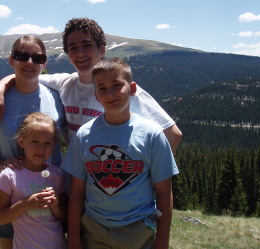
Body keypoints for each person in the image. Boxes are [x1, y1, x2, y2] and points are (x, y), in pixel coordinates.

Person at [0, 17, 182, 152]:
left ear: (102, 49)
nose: (80, 53)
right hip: (75, 185)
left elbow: (173, 135)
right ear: (67, 54)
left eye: (87, 46)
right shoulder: (64, 83)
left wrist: (146, 175)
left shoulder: (122, 91)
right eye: (73, 48)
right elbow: (28, 76)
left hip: (112, 185)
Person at [62, 58, 179, 249]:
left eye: (117, 85)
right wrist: (73, 239)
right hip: (94, 230)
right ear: (96, 96)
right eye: (102, 88)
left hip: (138, 231)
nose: (110, 94)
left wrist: (162, 242)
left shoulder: (152, 134)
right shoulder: (84, 135)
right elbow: (76, 193)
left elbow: (165, 192)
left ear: (132, 89)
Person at [0, 35, 66, 249]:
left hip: (50, 192)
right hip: (8, 194)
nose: (29, 62)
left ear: (45, 63)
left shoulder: (57, 98)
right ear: (11, 60)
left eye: (37, 57)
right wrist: (4, 166)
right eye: (22, 56)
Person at [0, 112, 67, 249]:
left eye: (47, 143)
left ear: (54, 145)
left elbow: (63, 217)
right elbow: (0, 218)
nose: (41, 148)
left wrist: (55, 205)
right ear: (21, 141)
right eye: (35, 141)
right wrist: (26, 204)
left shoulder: (57, 174)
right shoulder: (10, 175)